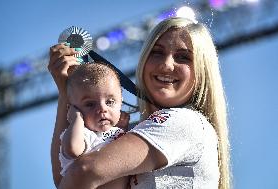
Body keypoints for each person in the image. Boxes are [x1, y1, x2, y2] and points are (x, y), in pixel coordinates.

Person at [48, 17, 231, 189]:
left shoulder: (183, 121)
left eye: (183, 57)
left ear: (202, 72)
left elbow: (83, 171)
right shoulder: (133, 130)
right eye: (157, 52)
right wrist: (68, 91)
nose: (167, 65)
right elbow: (66, 177)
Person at [59, 63, 129, 188]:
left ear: (121, 101)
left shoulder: (116, 131)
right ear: (73, 109)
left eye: (110, 102)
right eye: (90, 104)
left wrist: (123, 128)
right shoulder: (82, 134)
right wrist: (76, 119)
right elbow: (72, 150)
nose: (103, 109)